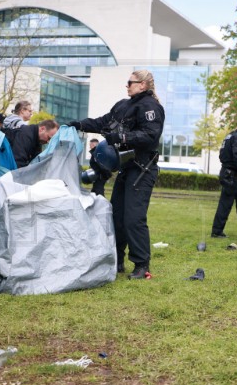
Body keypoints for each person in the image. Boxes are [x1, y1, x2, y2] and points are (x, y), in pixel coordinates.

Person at [69, 70, 165, 280]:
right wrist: (80, 124)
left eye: (130, 82)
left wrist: (121, 136)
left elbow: (150, 136)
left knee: (133, 217)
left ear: (143, 85)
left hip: (142, 168)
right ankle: (117, 259)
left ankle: (141, 265)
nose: (127, 85)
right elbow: (103, 122)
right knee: (117, 215)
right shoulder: (123, 104)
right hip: (126, 168)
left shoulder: (151, 107)